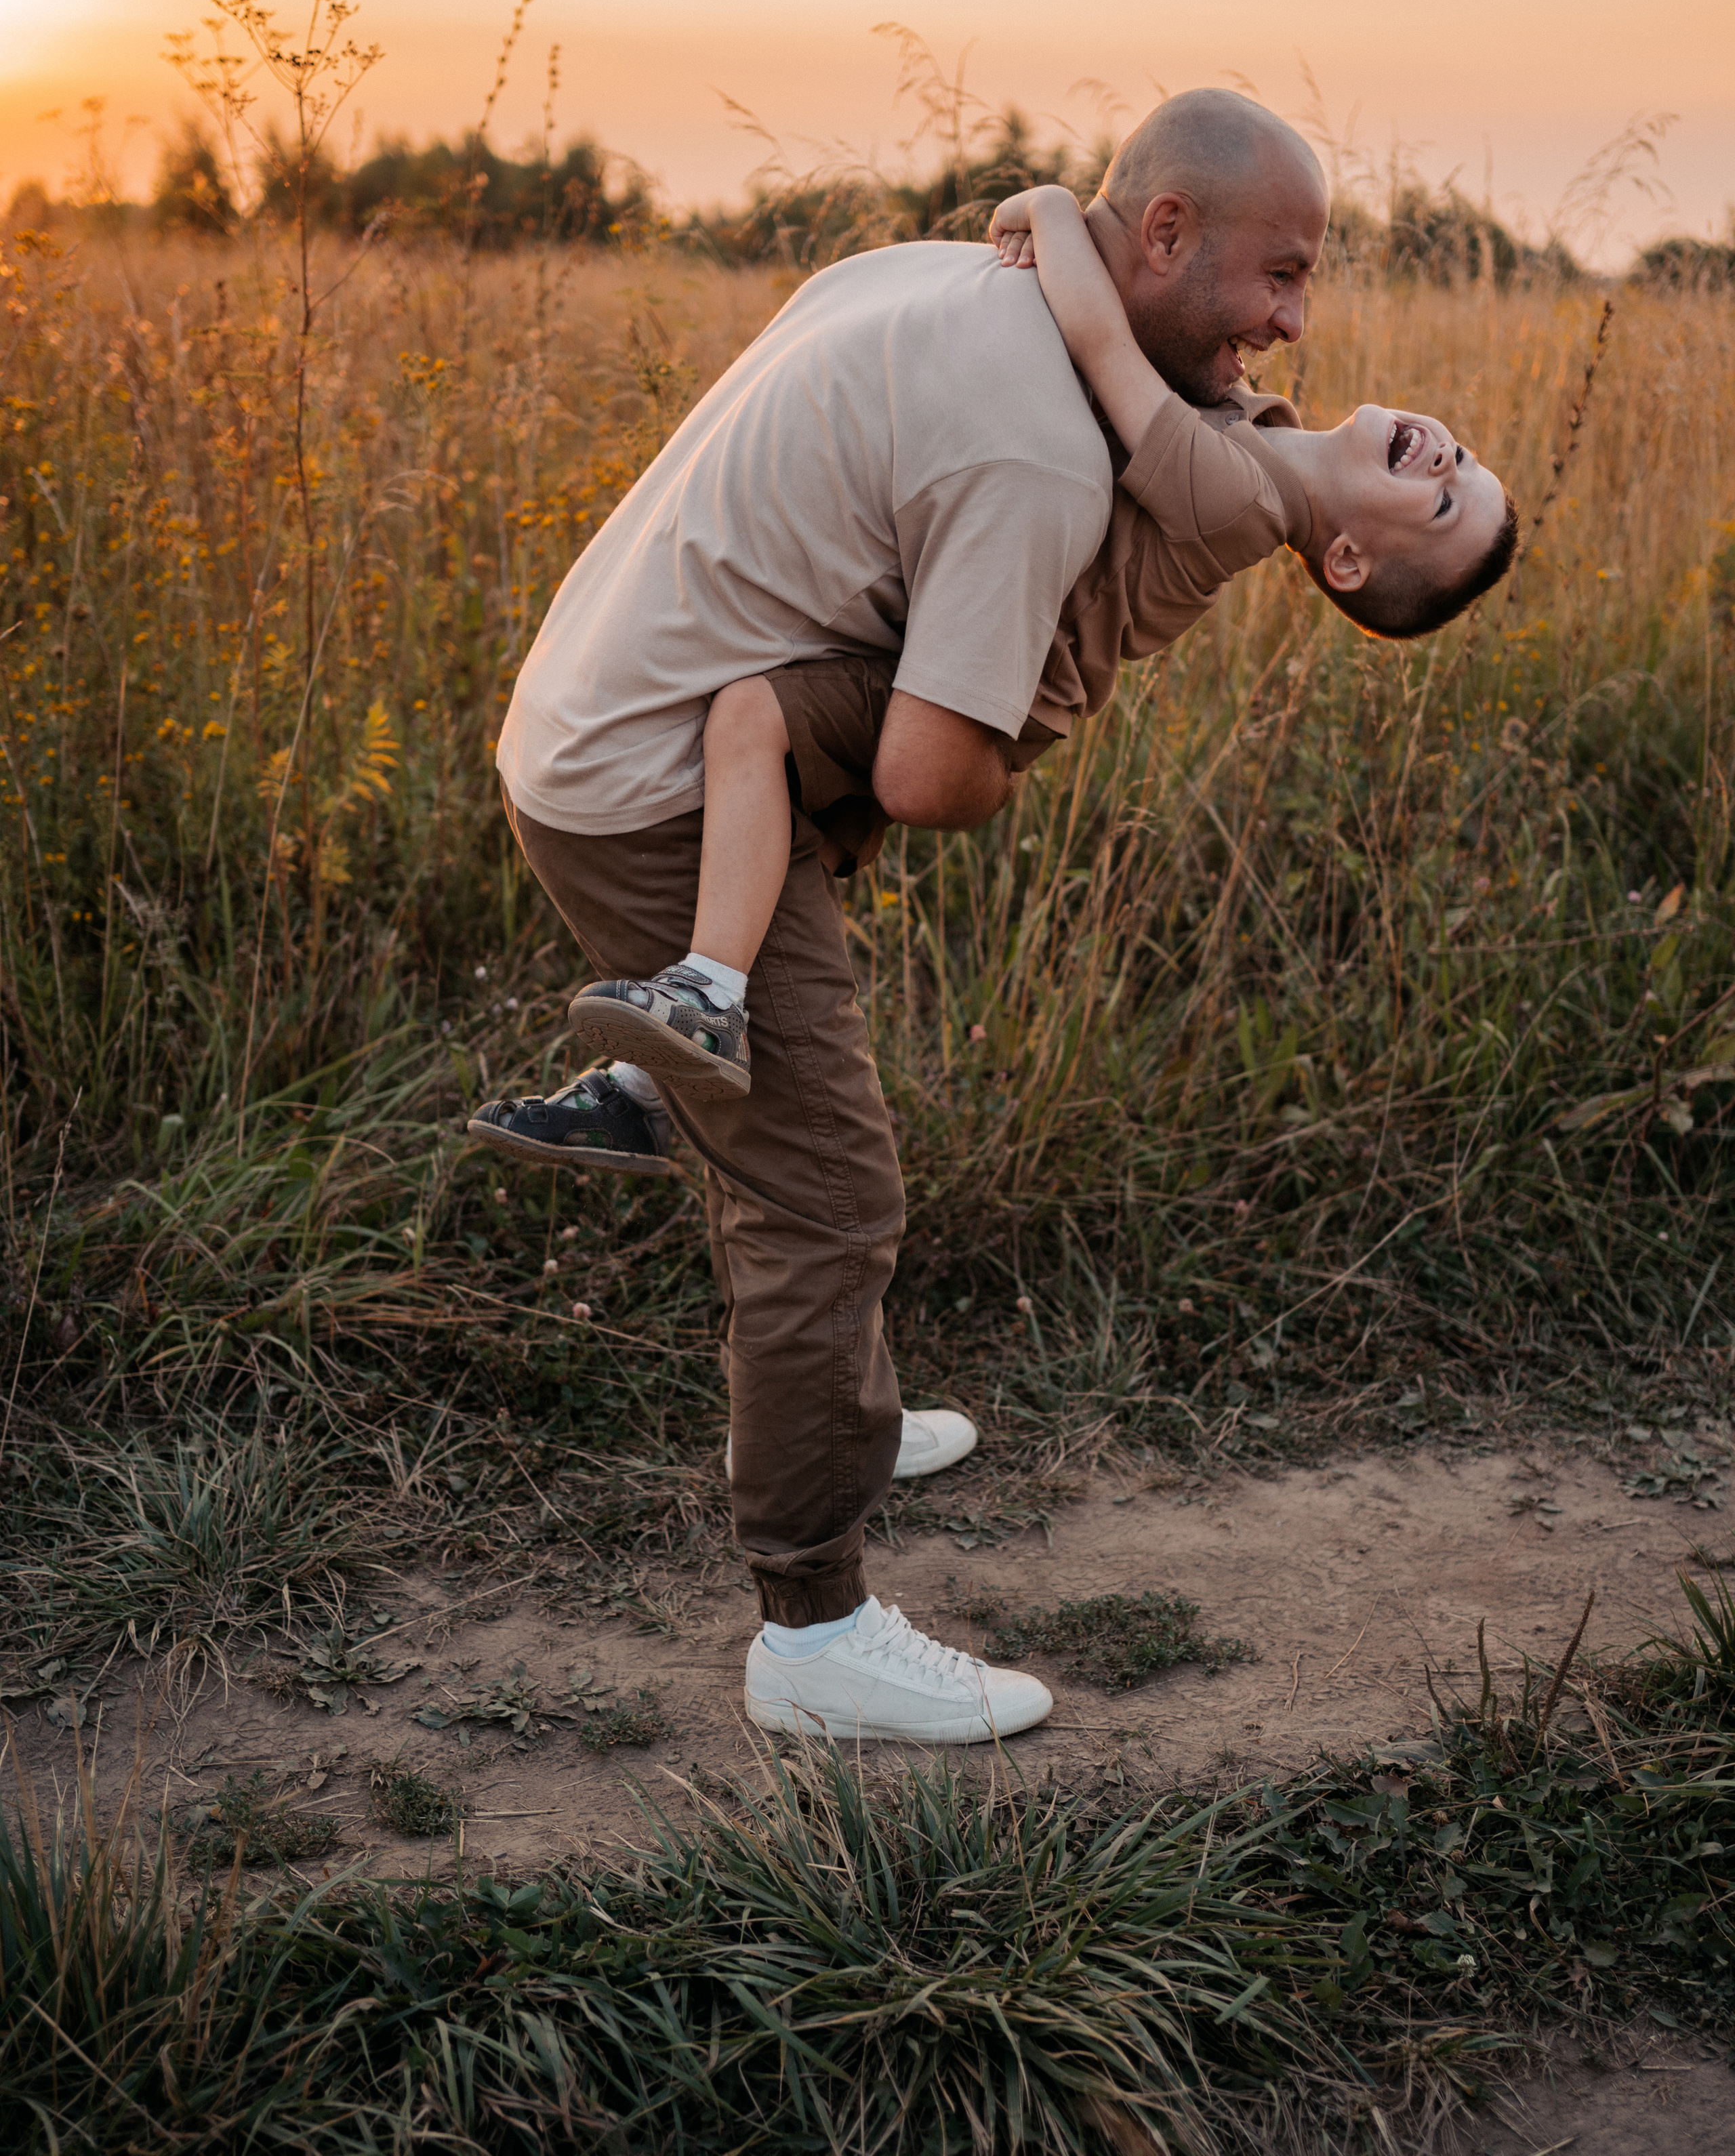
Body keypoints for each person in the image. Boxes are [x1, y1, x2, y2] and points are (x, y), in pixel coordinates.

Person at [476, 89, 1336, 1746]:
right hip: (649, 784)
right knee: (826, 1192)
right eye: (1277, 274)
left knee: (767, 1123)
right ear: (1159, 237)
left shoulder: (957, 265)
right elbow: (933, 771)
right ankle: (811, 1633)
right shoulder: (1032, 454)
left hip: (594, 717)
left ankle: (835, 1416)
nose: (1297, 322)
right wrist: (1015, 740)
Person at [533, 183, 1514, 1104]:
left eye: (1440, 504)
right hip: (960, 656)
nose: (1444, 460)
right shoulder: (1261, 427)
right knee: (779, 784)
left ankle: (703, 1000)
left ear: (1343, 563)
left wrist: (1052, 206)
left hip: (992, 705)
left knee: (755, 720)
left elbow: (1101, 342)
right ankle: (649, 1088)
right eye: (1462, 461)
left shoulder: (1241, 503)